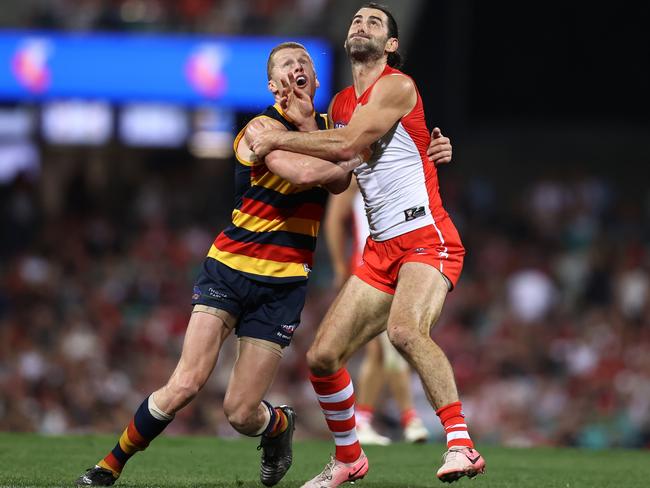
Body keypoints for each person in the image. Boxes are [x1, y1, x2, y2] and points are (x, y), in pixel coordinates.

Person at [74, 41, 369, 488]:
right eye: (287, 65)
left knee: (239, 412)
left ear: (316, 77)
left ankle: (278, 427)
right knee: (187, 382)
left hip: (283, 286)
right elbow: (311, 175)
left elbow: (342, 179)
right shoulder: (259, 128)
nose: (298, 68)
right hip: (229, 268)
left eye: (304, 62)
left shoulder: (330, 128)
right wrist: (337, 157)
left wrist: (337, 159)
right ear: (273, 85)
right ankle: (108, 466)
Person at [250, 3, 487, 485]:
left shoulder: (397, 85)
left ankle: (461, 444)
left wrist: (274, 140)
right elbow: (339, 172)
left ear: (391, 45)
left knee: (404, 331)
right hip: (380, 249)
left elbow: (346, 143)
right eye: (356, 20)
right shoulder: (337, 104)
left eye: (374, 22)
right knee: (322, 357)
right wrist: (298, 131)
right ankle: (349, 459)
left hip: (425, 236)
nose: (361, 25)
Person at [325, 177, 430, 445]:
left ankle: (366, 420)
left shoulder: (394, 172)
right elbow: (334, 220)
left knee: (386, 344)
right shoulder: (356, 177)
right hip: (368, 266)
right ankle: (405, 418)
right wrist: (339, 266)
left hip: (395, 264)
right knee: (385, 343)